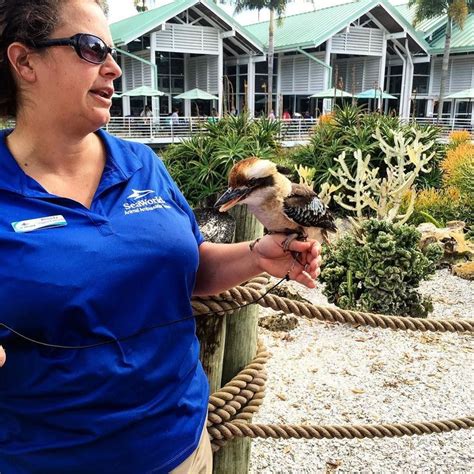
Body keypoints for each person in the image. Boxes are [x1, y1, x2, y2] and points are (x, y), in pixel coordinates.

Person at [0, 1, 322, 472]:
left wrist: (259, 254)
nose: (114, 69)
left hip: (182, 450)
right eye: (91, 49)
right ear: (24, 61)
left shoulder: (144, 165)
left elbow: (186, 270)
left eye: (114, 51)